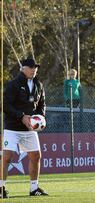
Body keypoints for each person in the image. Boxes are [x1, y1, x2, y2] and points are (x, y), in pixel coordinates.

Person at [2, 58, 49, 198]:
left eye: (35, 67)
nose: (34, 69)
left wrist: (40, 118)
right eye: (31, 67)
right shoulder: (13, 84)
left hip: (30, 129)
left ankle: (34, 189)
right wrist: (22, 116)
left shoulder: (38, 85)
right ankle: (0, 188)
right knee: (7, 158)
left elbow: (42, 104)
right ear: (23, 68)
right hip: (12, 127)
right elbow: (5, 105)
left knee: (36, 156)